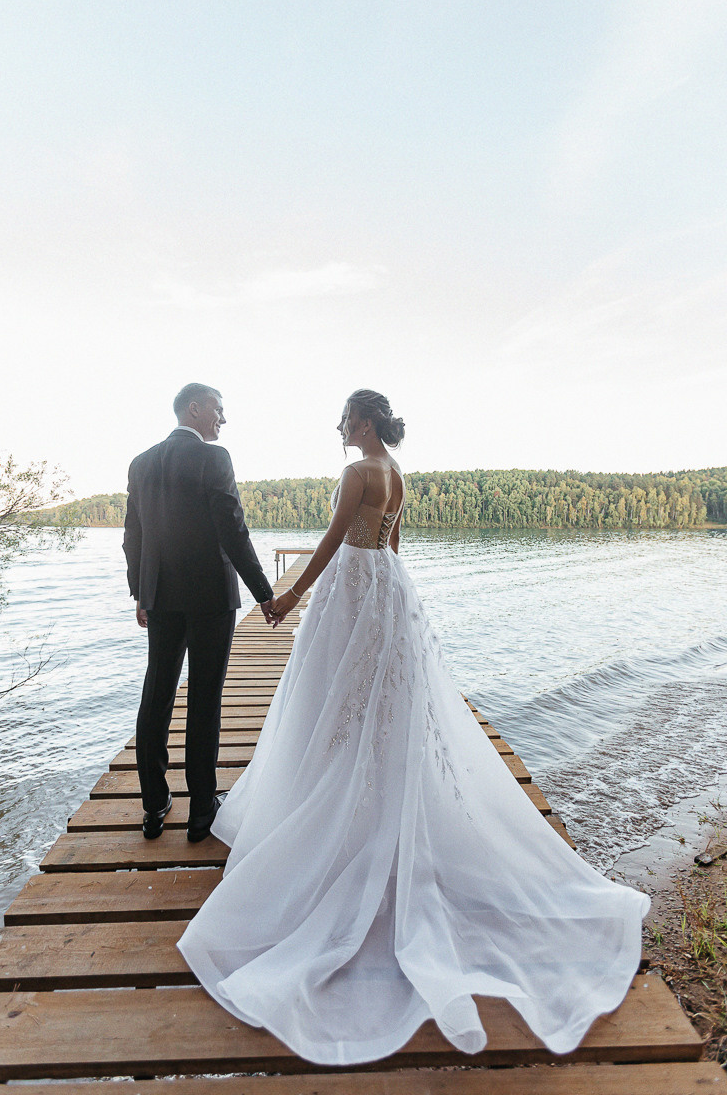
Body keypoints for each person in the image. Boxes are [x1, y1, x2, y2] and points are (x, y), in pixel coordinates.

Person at [177, 389, 650, 1065]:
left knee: (335, 705)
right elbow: (392, 543)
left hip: (351, 590)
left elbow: (334, 542)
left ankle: (336, 808)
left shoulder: (355, 472)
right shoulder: (396, 472)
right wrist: (381, 594)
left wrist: (288, 597)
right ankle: (379, 797)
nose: (338, 427)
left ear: (363, 422)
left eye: (344, 418)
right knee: (382, 706)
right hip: (389, 591)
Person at [123, 383, 276, 843]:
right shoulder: (215, 459)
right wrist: (263, 592)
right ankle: (201, 811)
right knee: (204, 699)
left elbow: (134, 536)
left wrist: (140, 593)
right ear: (195, 408)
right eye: (218, 410)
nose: (222, 420)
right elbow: (232, 528)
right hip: (210, 597)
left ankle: (153, 807)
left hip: (161, 597)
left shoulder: (141, 462)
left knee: (157, 692)